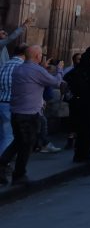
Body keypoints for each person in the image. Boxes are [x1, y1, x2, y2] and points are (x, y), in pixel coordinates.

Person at [0, 45, 63, 185]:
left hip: (16, 112)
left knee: (18, 142)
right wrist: (59, 70)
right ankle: (19, 174)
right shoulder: (36, 70)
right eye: (41, 55)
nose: (41, 57)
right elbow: (55, 82)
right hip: (29, 114)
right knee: (26, 145)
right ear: (37, 56)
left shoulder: (19, 69)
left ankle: (3, 164)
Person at [0, 44, 25, 155]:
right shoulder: (22, 66)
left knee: (2, 134)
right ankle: (3, 162)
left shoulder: (5, 64)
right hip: (12, 104)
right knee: (9, 136)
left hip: (1, 101)